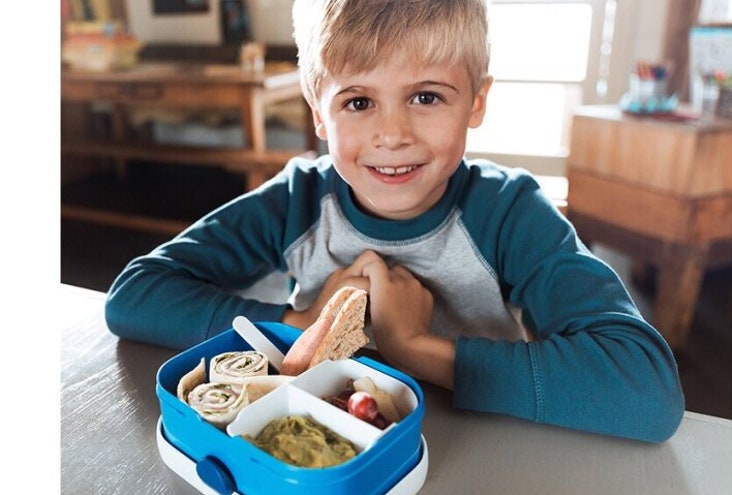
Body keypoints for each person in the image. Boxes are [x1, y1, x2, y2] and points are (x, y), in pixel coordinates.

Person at [105, 0, 684, 443]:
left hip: (485, 452)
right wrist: (301, 323)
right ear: (319, 114)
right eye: (358, 102)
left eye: (426, 97)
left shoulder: (509, 213)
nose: (392, 134)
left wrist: (415, 347)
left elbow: (646, 388)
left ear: (477, 101)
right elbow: (133, 295)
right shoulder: (298, 201)